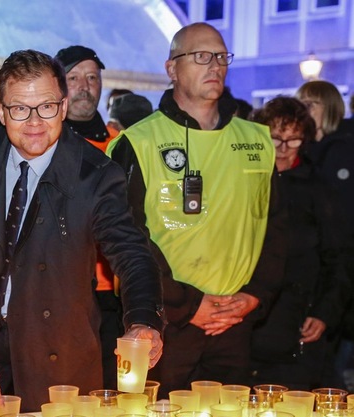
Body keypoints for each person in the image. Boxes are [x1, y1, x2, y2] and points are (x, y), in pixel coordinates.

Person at [0, 49, 163, 410]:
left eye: (46, 107)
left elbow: (132, 252)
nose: (34, 121)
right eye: (19, 109)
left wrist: (142, 320)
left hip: (57, 350)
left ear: (63, 107)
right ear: (0, 112)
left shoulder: (94, 173)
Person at [109, 22, 286, 394]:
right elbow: (126, 239)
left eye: (222, 57)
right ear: (172, 68)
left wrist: (255, 295)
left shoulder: (257, 140)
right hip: (166, 322)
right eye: (201, 56)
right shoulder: (138, 142)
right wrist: (187, 304)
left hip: (234, 321)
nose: (215, 65)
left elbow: (276, 226)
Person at [248, 97, 348, 389]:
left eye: (292, 140)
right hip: (250, 317)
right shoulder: (248, 180)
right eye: (276, 138)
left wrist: (324, 312)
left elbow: (339, 257)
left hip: (299, 320)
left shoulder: (318, 189)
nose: (282, 149)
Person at [55, 45, 124, 389]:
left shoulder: (121, 146)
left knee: (110, 390)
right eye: (74, 77)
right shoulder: (43, 142)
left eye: (92, 78)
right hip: (59, 291)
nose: (85, 85)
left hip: (112, 292)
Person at [296, 80, 354, 389]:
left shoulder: (341, 151)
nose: (304, 111)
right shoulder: (305, 152)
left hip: (336, 274)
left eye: (311, 104)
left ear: (329, 109)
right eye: (300, 103)